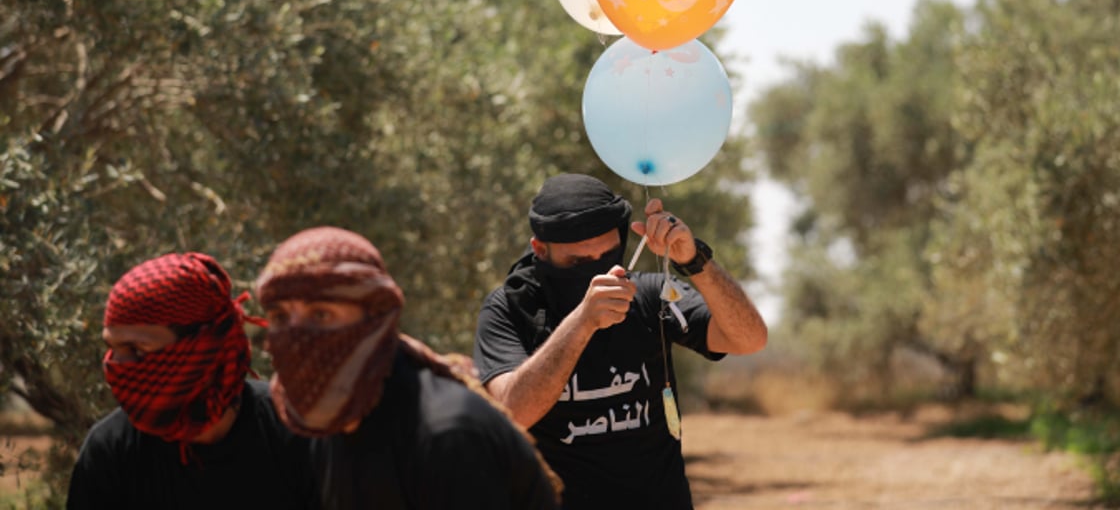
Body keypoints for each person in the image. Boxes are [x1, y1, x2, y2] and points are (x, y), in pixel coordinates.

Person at [473, 173, 769, 510]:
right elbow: (511, 412)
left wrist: (694, 261)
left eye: (607, 256)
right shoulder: (510, 308)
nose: (597, 271)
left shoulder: (647, 295)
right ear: (540, 250)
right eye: (578, 262)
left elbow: (749, 339)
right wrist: (583, 322)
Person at [254, 225, 562, 509]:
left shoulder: (446, 434)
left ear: (374, 318)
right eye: (280, 317)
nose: (295, 336)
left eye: (320, 315)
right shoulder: (330, 418)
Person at [66, 252, 318, 510]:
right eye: (112, 348)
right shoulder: (111, 450)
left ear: (201, 345)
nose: (117, 366)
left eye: (137, 349)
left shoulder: (297, 433)